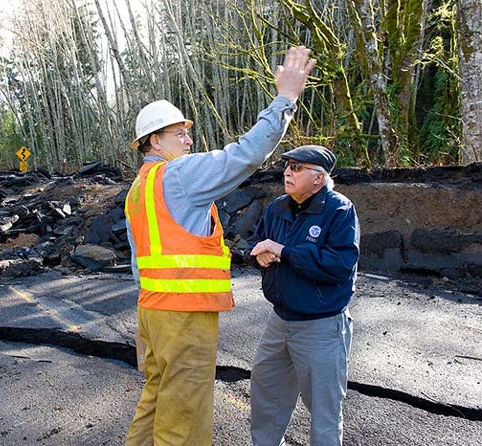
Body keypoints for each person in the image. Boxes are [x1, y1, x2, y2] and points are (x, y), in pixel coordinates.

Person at [123, 46, 317, 446]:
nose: (189, 139)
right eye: (179, 133)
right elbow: (245, 155)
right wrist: (286, 99)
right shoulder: (177, 176)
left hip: (154, 312)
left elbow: (139, 261)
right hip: (184, 317)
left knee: (156, 402)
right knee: (185, 417)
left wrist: (146, 325)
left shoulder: (139, 189)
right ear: (155, 142)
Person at [247, 145, 360, 446]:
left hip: (320, 327)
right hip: (279, 321)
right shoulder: (277, 207)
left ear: (319, 178)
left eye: (296, 167)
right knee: (266, 394)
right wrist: (257, 255)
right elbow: (255, 243)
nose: (287, 172)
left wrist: (284, 252)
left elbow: (339, 266)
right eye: (286, 166)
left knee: (324, 411)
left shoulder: (339, 210)